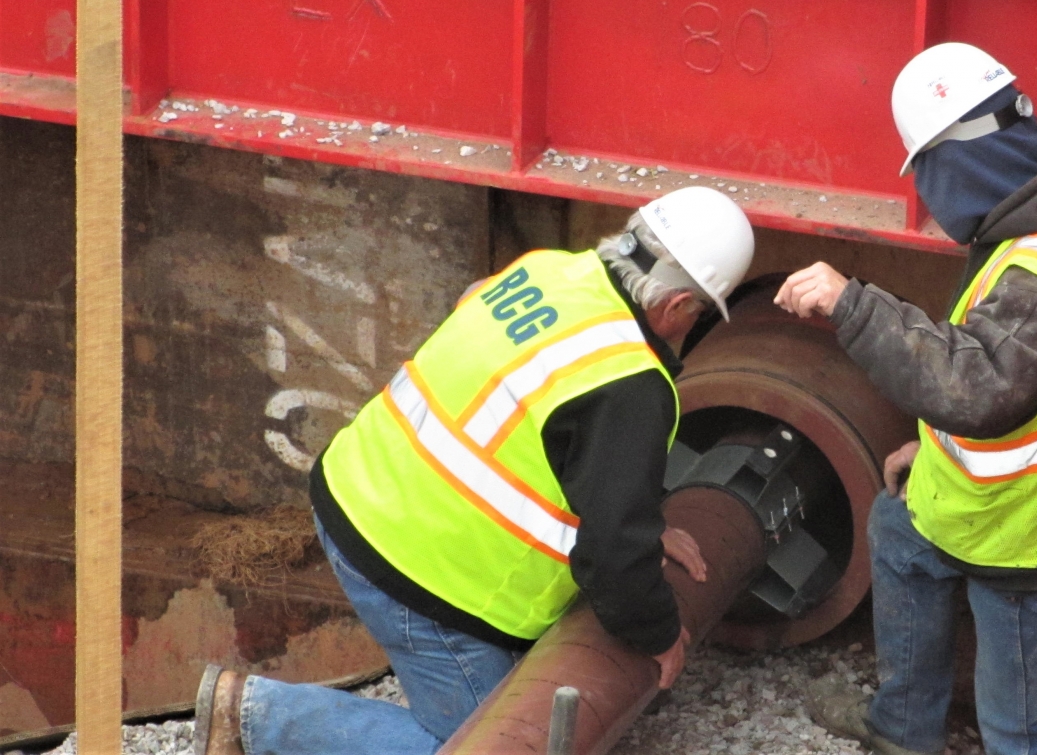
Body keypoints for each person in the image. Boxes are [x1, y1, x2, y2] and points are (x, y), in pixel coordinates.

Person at [193, 187, 755, 755]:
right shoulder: (629, 384)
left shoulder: (549, 271)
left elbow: (547, 438)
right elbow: (611, 555)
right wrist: (658, 635)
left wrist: (644, 525)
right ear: (678, 306)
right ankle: (259, 719)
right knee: (499, 748)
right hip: (419, 574)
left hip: (359, 491)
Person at [776, 43, 1037, 755]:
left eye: (926, 175)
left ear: (955, 164)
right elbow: (1032, 377)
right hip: (1018, 492)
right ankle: (902, 730)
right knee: (899, 535)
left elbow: (979, 386)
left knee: (1020, 730)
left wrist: (851, 305)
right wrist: (929, 448)